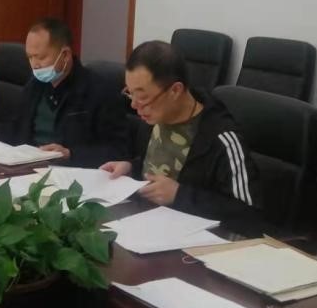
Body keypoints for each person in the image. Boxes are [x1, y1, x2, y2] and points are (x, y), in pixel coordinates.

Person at [100, 40, 260, 220]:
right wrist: (131, 168)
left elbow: (249, 213)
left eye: (142, 96)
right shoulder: (152, 119)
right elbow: (155, 165)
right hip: (143, 220)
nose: (134, 105)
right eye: (130, 93)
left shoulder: (222, 139)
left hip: (188, 233)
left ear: (175, 90)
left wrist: (179, 195)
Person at [0, 17, 128, 168]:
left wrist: (70, 153)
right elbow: (15, 131)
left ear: (65, 55)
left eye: (41, 57)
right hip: (29, 166)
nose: (34, 65)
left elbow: (120, 150)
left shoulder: (98, 90)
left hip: (70, 173)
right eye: (30, 57)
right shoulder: (35, 85)